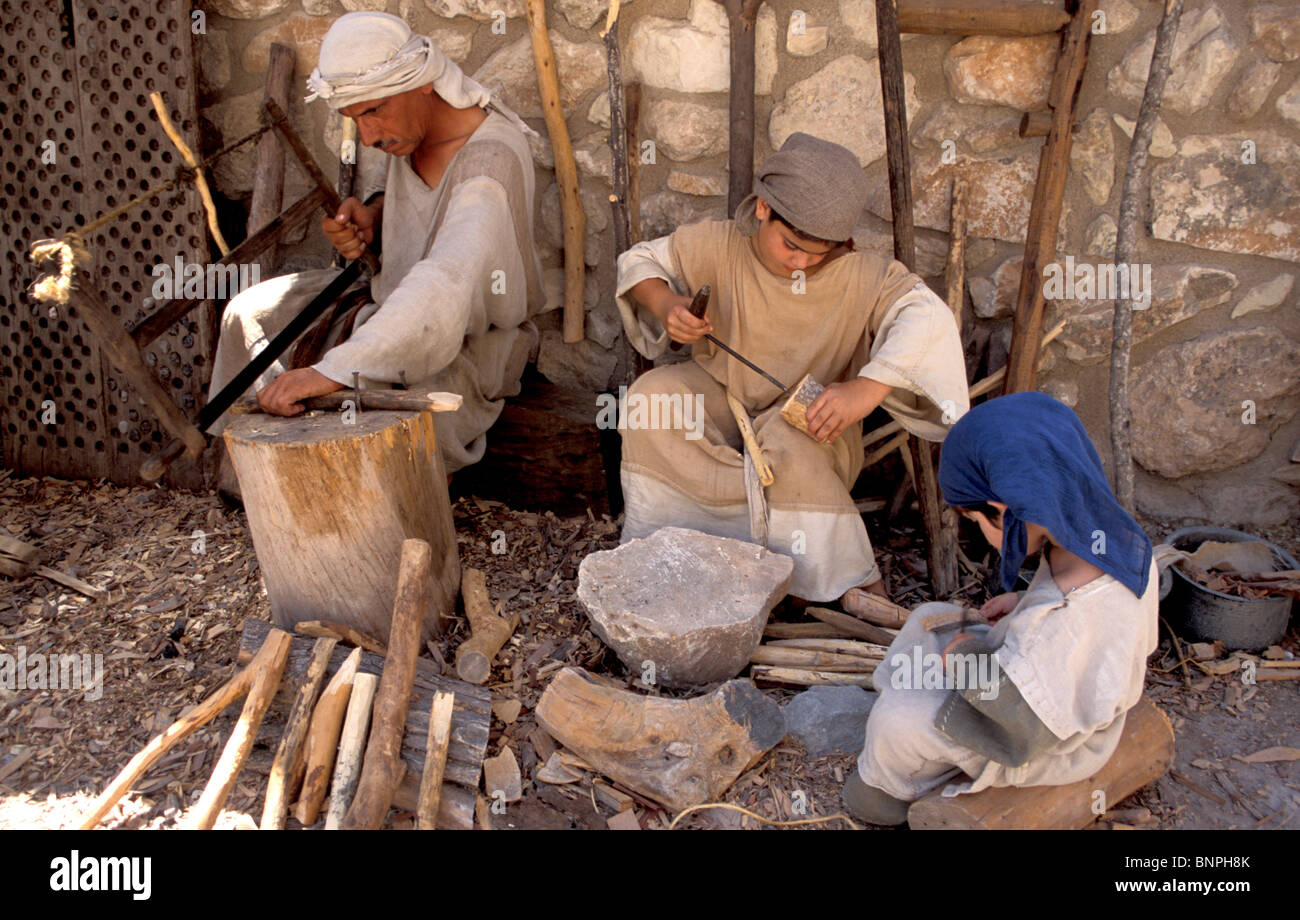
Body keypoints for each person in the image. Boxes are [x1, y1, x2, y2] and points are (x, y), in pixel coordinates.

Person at [614, 132, 969, 605]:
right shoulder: (717, 244)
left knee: (784, 440)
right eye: (791, 244)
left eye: (818, 252)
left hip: (811, 414)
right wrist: (667, 305)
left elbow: (926, 317)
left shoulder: (864, 275)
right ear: (762, 208)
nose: (801, 262)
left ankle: (828, 583)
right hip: (724, 393)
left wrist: (866, 388)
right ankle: (678, 557)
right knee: (650, 400)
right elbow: (639, 261)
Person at [208, 11, 544, 478]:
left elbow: (445, 282)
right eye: (353, 117)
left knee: (394, 418)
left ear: (424, 81)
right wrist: (375, 216)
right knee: (248, 313)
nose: (367, 136)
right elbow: (425, 210)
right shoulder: (412, 134)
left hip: (464, 341)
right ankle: (248, 475)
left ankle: (336, 513)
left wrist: (333, 371)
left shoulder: (490, 161)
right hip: (389, 304)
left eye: (373, 111)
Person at [843, 391, 1159, 826]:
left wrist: (963, 661)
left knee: (898, 724)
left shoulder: (1074, 618)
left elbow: (1025, 725)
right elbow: (1066, 611)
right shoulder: (1107, 541)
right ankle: (915, 715)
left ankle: (886, 793)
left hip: (1052, 736)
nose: (981, 533)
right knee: (929, 617)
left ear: (1002, 509)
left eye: (976, 523)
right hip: (1041, 675)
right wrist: (1025, 600)